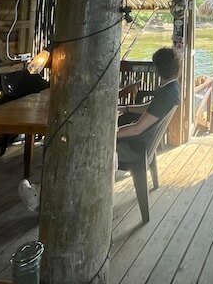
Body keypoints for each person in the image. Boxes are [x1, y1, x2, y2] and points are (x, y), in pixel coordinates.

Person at [19, 47, 181, 211]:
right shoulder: (172, 88)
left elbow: (137, 129)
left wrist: (110, 135)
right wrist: (125, 108)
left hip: (134, 147)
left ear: (159, 69)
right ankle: (48, 193)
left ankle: (41, 196)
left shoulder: (166, 94)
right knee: (80, 145)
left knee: (78, 148)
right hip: (142, 144)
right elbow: (149, 108)